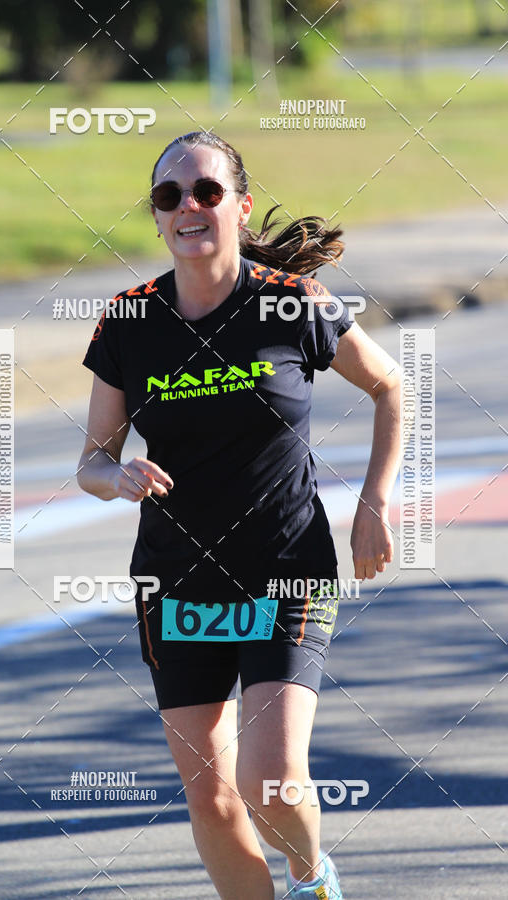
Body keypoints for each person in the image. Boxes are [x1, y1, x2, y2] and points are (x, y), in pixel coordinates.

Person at [77, 131, 402, 899]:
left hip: (285, 569)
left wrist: (375, 504)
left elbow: (390, 387)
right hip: (178, 582)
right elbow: (90, 461)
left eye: (206, 192)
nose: (188, 206)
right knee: (212, 797)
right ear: (157, 217)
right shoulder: (129, 321)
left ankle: (309, 875)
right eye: (169, 197)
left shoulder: (289, 303)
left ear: (240, 205)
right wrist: (115, 476)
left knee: (270, 780)